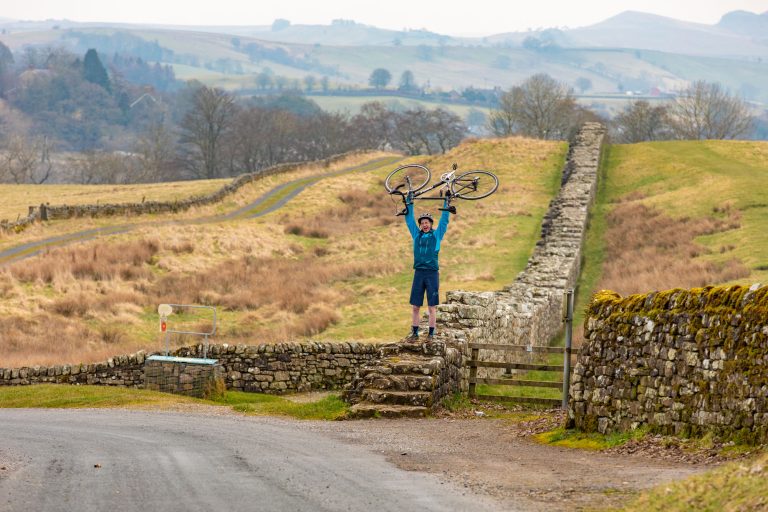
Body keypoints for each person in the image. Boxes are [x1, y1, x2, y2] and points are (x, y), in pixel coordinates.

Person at [404, 192, 452, 341]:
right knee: (415, 307)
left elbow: (444, 221)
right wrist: (409, 202)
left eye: (427, 222)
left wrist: (446, 203)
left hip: (432, 273)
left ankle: (431, 333)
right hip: (418, 273)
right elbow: (409, 219)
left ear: (431, 224)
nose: (425, 224)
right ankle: (415, 332)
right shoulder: (416, 234)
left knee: (432, 307)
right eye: (422, 223)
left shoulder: (436, 235)